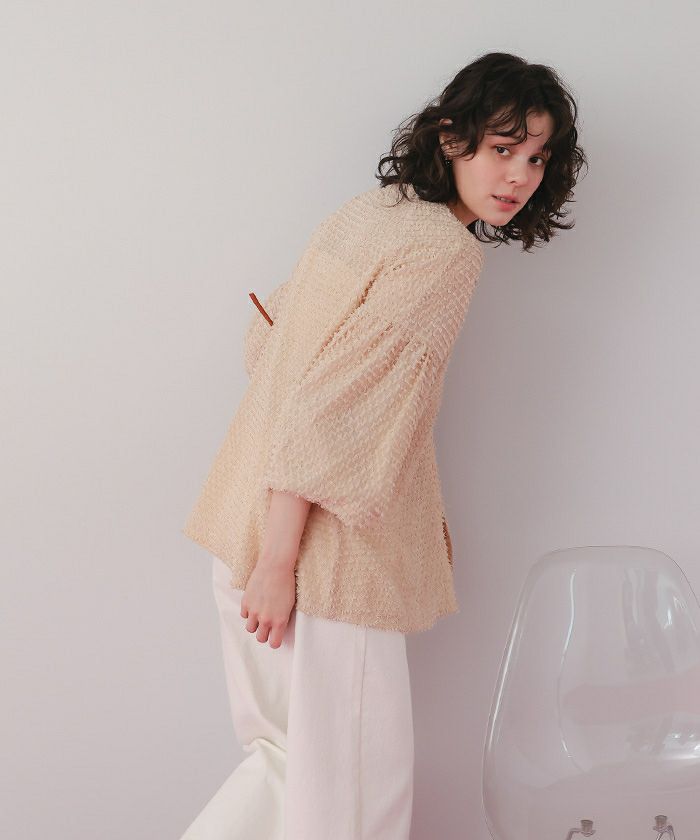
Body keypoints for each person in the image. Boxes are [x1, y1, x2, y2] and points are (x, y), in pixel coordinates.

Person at [179, 50, 587, 840]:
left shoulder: (370, 213)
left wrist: (265, 552)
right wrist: (280, 560)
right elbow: (334, 413)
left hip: (242, 526)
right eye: (503, 148)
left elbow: (267, 344)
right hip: (321, 563)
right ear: (452, 137)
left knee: (283, 768)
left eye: (538, 158)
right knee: (354, 802)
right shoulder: (444, 252)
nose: (520, 176)